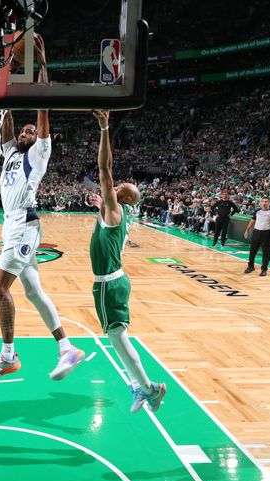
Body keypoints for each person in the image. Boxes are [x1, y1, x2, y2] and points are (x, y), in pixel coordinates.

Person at [0, 34, 85, 381]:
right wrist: (6, 68)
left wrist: (41, 63)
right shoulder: (10, 152)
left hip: (25, 225)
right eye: (23, 130)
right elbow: (7, 114)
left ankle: (8, 355)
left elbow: (42, 107)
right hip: (12, 225)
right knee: (33, 291)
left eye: (29, 130)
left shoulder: (38, 154)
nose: (25, 132)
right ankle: (67, 348)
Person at [90, 110, 167, 413]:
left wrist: (105, 128)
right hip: (111, 282)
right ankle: (142, 386)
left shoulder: (117, 207)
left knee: (118, 339)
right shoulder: (115, 213)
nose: (114, 184)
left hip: (110, 284)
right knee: (116, 338)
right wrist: (99, 207)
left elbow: (104, 168)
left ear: (120, 194)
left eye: (118, 186)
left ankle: (151, 388)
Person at [243, 197, 270, 277]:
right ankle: (250, 266)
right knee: (252, 251)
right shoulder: (257, 211)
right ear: (260, 202)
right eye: (263, 201)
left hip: (266, 234)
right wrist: (247, 230)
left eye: (266, 201)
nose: (264, 203)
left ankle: (264, 269)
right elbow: (252, 220)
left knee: (265, 253)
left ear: (269, 202)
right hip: (256, 232)